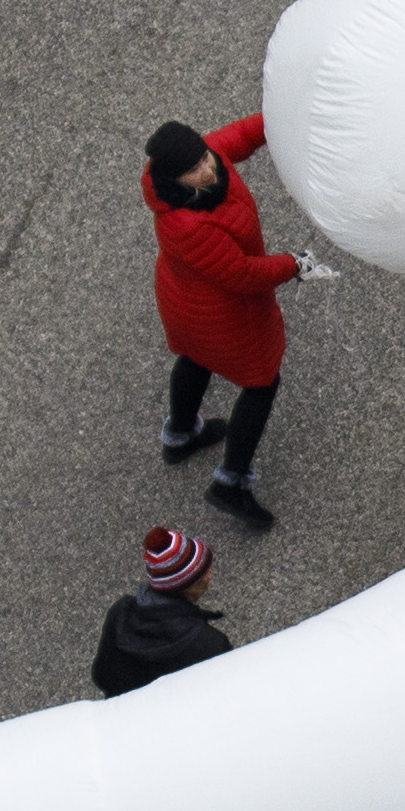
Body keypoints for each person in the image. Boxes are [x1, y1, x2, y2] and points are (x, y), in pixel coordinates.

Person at [146, 114, 302, 525]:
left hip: (185, 304)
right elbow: (242, 274)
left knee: (195, 359)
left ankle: (181, 436)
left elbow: (243, 134)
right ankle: (231, 482)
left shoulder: (203, 161)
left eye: (204, 157)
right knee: (262, 382)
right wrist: (293, 265)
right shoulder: (186, 226)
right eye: (195, 169)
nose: (208, 168)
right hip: (219, 315)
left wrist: (289, 112)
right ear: (174, 179)